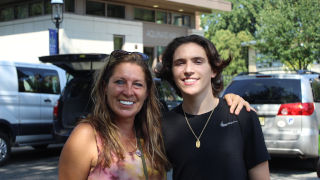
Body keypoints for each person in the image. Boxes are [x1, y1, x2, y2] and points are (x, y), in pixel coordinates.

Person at [58, 49, 252, 180]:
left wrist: (228, 102)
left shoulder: (153, 134)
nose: (128, 91)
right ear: (104, 87)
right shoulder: (87, 136)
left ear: (146, 92)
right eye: (119, 82)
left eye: (137, 84)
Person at [158, 35, 270, 180]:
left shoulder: (241, 115)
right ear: (172, 72)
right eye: (180, 63)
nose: (188, 69)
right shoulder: (164, 125)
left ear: (213, 70)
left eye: (198, 61)